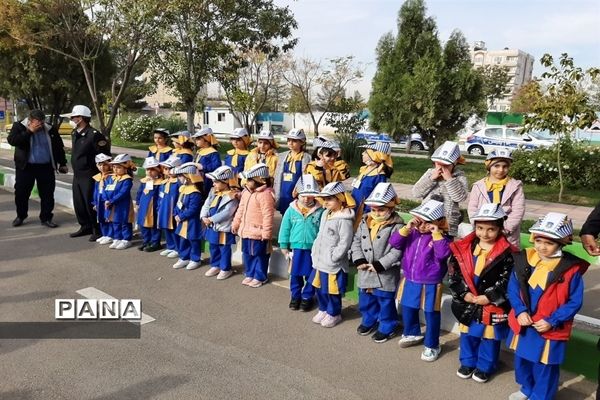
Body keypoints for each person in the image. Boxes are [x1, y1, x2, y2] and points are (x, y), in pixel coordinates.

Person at [506, 212, 588, 400]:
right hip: (525, 324)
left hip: (549, 328)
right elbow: (513, 288)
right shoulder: (524, 260)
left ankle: (541, 396)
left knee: (546, 366)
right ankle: (527, 388)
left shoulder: (571, 270)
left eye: (549, 243)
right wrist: (519, 311)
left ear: (561, 244)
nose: (542, 247)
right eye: (538, 241)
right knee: (522, 361)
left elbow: (575, 302)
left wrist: (552, 320)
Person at [448, 203, 516, 383]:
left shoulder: (508, 254)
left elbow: (508, 280)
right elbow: (454, 272)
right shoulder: (464, 248)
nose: (484, 234)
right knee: (468, 334)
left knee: (489, 337)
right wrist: (463, 293)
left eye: (491, 229)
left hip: (491, 305)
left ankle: (486, 366)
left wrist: (490, 297)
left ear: (500, 228)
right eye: (480, 228)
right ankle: (468, 362)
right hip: (469, 301)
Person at [389, 199, 452, 362]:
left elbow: (443, 255)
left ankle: (432, 345)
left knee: (431, 313)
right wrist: (407, 228)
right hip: (410, 278)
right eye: (419, 220)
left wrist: (436, 233)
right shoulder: (412, 232)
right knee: (408, 308)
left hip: (430, 282)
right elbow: (394, 243)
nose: (422, 225)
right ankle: (412, 332)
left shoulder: (442, 238)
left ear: (438, 222)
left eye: (427, 222)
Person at [350, 182, 404, 343]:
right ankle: (369, 319)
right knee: (366, 298)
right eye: (374, 209)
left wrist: (381, 264)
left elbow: (398, 250)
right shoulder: (365, 221)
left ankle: (388, 325)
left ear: (391, 209)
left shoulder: (398, 227)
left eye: (381, 210)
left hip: (384, 272)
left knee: (385, 300)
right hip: (365, 268)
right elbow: (356, 241)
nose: (377, 213)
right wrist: (358, 258)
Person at [8, 109, 68, 228]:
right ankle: (21, 215)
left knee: (47, 194)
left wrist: (62, 163)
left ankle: (46, 218)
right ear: (30, 121)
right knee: (21, 193)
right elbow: (13, 141)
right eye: (37, 123)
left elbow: (58, 146)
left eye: (42, 122)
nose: (40, 125)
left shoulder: (50, 128)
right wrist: (29, 131)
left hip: (45, 167)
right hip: (26, 167)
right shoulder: (19, 126)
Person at [310, 182, 356, 328]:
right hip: (320, 259)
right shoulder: (325, 214)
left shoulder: (344, 219)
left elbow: (345, 241)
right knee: (320, 287)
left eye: (330, 199)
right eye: (325, 198)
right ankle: (323, 308)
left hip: (333, 263)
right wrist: (315, 250)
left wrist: (335, 256)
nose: (326, 202)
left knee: (333, 290)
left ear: (340, 199)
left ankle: (334, 313)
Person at [61, 105, 110, 240]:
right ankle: (85, 226)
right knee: (79, 202)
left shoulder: (94, 135)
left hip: (90, 174)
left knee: (90, 202)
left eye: (74, 117)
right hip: (78, 174)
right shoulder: (75, 133)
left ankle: (96, 229)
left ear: (81, 118)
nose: (72, 119)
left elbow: (104, 155)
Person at [278, 174, 323, 311]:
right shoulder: (291, 210)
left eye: (310, 195)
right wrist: (283, 245)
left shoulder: (321, 211)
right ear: (297, 193)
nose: (306, 198)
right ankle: (295, 296)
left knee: (311, 275)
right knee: (295, 274)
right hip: (296, 249)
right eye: (303, 195)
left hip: (313, 249)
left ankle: (307, 297)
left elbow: (322, 230)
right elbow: (285, 228)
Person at [468, 149, 525, 248]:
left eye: (505, 166)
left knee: (506, 259)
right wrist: (478, 227)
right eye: (496, 166)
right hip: (485, 233)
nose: (501, 170)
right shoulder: (478, 186)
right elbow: (472, 208)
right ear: (489, 167)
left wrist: (506, 229)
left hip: (507, 234)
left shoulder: (515, 186)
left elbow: (518, 210)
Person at [231, 163, 275, 288]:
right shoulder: (246, 192)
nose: (246, 181)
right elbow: (241, 209)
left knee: (260, 255)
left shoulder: (265, 195)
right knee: (247, 253)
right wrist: (236, 223)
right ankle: (250, 273)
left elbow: (268, 215)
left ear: (259, 180)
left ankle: (260, 276)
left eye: (249, 179)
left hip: (259, 233)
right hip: (246, 231)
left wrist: (266, 233)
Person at [412, 141, 469, 238]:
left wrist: (449, 179)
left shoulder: (460, 177)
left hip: (447, 225)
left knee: (442, 248)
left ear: (454, 163)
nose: (442, 168)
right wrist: (431, 179)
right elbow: (416, 193)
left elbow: (460, 198)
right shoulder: (430, 173)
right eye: (438, 164)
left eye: (446, 165)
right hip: (425, 222)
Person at [200, 166, 239, 280]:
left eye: (216, 181)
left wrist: (212, 219)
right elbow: (206, 204)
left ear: (225, 181)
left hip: (223, 227)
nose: (213, 184)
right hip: (211, 226)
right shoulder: (214, 192)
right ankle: (215, 265)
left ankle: (225, 268)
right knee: (213, 246)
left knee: (224, 248)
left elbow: (227, 212)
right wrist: (203, 216)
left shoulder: (232, 195)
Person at [171, 163, 204, 270]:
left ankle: (195, 259)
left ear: (189, 177)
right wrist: (176, 213)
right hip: (181, 220)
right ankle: (184, 257)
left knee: (193, 240)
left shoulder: (195, 193)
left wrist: (181, 216)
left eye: (181, 176)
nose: (179, 178)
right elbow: (178, 203)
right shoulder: (183, 189)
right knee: (183, 239)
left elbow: (193, 209)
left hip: (191, 221)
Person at [273, 128, 312, 215]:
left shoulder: (306, 157)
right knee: (285, 213)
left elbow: (306, 176)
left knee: (297, 212)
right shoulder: (283, 156)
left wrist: (299, 188)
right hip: (284, 190)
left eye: (294, 141)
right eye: (289, 140)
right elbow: (277, 174)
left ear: (301, 142)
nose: (290, 143)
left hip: (296, 191)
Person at [103, 154, 135, 250]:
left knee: (125, 221)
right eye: (114, 167)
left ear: (125, 168)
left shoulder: (127, 180)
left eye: (119, 167)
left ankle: (126, 239)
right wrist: (106, 199)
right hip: (111, 204)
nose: (116, 169)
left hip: (123, 205)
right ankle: (117, 238)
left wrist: (112, 200)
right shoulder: (111, 178)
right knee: (115, 221)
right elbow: (105, 188)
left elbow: (123, 193)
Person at [351, 142, 393, 212]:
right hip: (354, 206)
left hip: (363, 212)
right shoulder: (364, 170)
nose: (362, 154)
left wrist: (368, 212)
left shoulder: (379, 176)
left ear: (374, 156)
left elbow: (377, 197)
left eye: (365, 152)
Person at [135, 157, 164, 252]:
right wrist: (138, 203)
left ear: (158, 170)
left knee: (154, 225)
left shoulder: (160, 183)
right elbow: (139, 193)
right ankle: (146, 241)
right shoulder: (144, 181)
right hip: (144, 206)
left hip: (154, 207)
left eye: (152, 170)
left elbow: (161, 196)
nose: (149, 172)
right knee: (143, 225)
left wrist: (159, 206)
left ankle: (155, 243)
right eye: (148, 170)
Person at [157, 155, 182, 259]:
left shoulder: (178, 183)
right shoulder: (164, 182)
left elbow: (179, 197)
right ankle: (170, 246)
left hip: (172, 209)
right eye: (165, 168)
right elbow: (160, 195)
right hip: (164, 208)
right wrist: (159, 206)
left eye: (168, 168)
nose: (165, 170)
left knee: (173, 229)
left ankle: (177, 248)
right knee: (166, 228)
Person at [192, 127, 221, 198]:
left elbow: (216, 166)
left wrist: (203, 167)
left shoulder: (213, 152)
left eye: (199, 139)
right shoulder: (199, 151)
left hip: (207, 181)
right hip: (197, 180)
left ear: (206, 140)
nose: (196, 141)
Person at [91, 154, 113, 245]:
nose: (102, 167)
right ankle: (104, 234)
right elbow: (95, 190)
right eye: (100, 165)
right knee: (100, 217)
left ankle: (110, 235)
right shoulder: (98, 177)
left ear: (109, 165)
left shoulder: (112, 177)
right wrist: (95, 202)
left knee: (108, 217)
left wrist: (110, 200)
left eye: (105, 165)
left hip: (107, 200)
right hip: (99, 199)